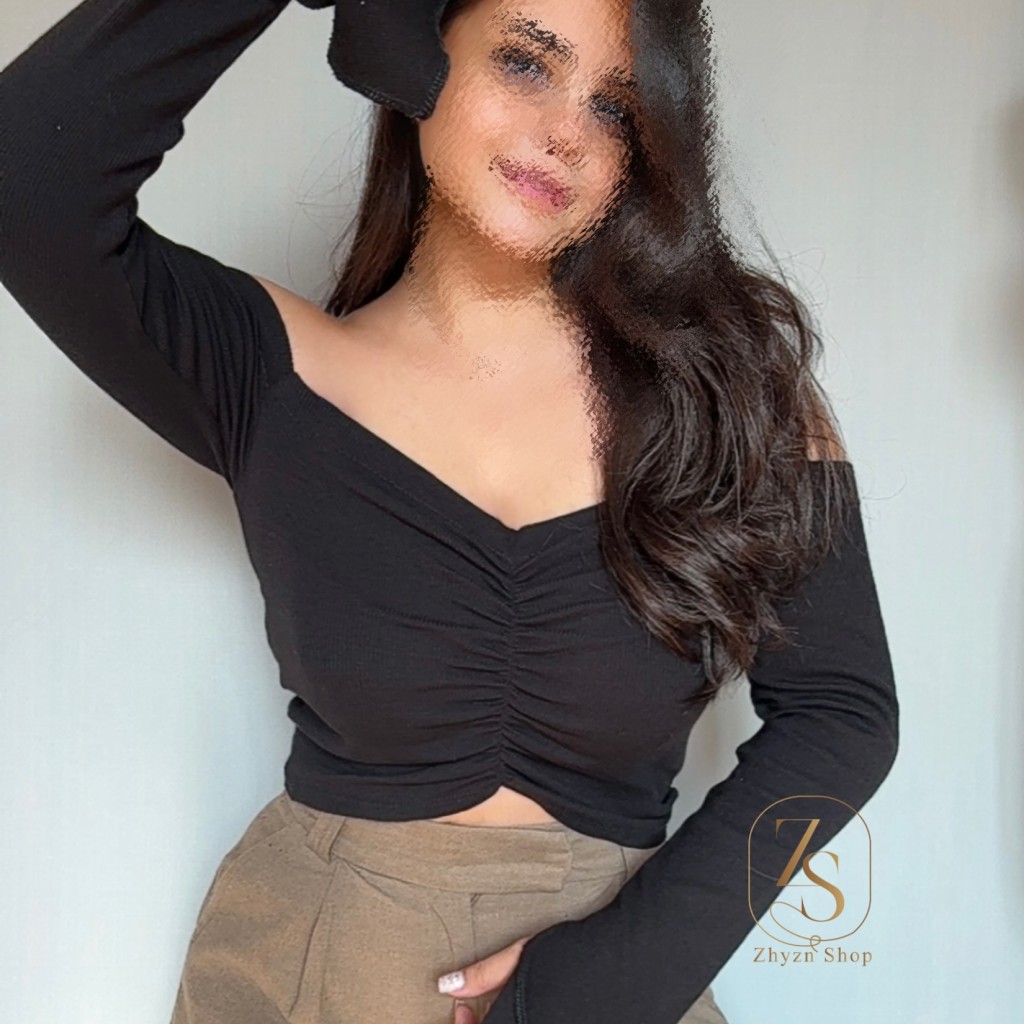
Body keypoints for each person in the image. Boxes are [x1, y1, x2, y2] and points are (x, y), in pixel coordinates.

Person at [0, 1, 900, 1022]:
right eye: (525, 63)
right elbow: (28, 174)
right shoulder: (274, 373)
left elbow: (844, 717)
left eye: (615, 109)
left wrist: (612, 979)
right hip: (306, 972)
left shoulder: (736, 401)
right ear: (418, 59)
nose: (565, 133)